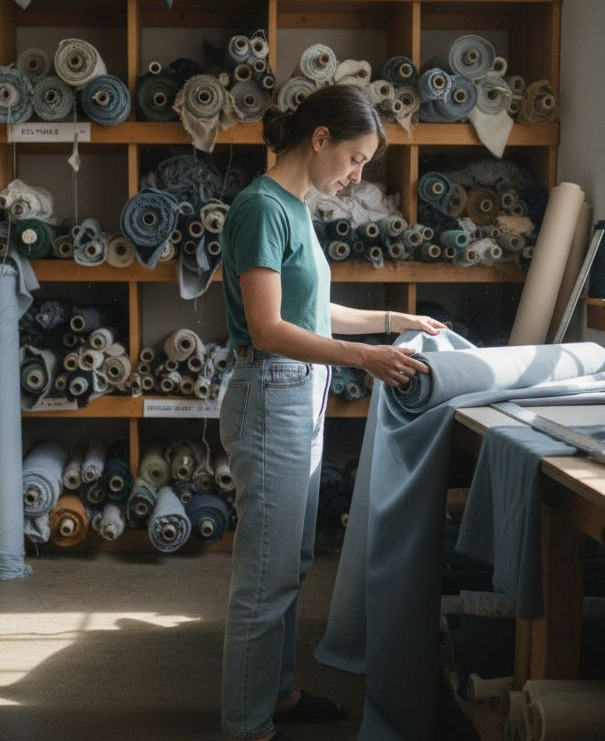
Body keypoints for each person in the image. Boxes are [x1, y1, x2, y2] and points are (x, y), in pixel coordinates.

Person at [217, 83, 443, 741]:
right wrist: (365, 360)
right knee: (264, 576)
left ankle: (276, 695)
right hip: (273, 391)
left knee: (288, 565)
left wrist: (393, 320)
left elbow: (311, 311)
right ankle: (246, 724)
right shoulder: (262, 208)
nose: (356, 175)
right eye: (354, 158)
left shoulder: (293, 206)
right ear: (319, 139)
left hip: (299, 390)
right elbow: (266, 328)